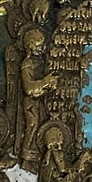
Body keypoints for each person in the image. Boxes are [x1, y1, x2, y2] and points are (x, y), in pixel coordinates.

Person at [20, 28, 58, 172]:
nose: (40, 49)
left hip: (42, 101)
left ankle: (39, 159)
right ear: (29, 47)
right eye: (37, 46)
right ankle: (26, 159)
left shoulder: (42, 62)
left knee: (42, 126)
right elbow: (28, 88)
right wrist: (45, 82)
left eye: (42, 45)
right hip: (31, 103)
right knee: (32, 125)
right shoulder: (27, 64)